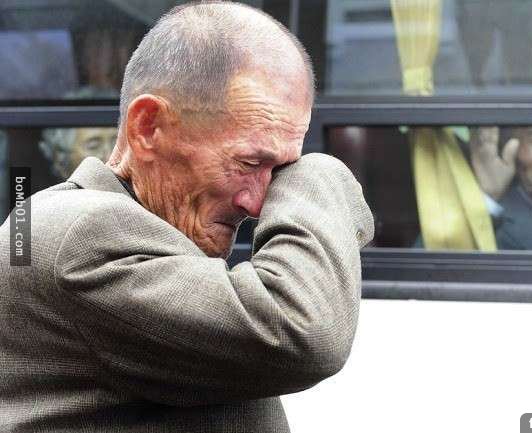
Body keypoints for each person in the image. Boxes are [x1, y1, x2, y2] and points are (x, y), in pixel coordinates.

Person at [0, 2, 374, 432]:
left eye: (282, 171)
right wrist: (319, 172)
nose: (257, 205)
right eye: (250, 163)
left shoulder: (87, 226)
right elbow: (302, 330)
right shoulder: (83, 236)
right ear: (148, 128)